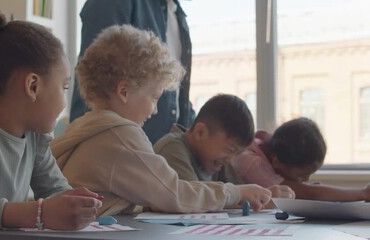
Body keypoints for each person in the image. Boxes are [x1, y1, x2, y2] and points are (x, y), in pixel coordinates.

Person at [52, 24, 273, 217]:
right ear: (124, 91)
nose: (155, 110)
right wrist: (236, 192)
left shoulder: (84, 126)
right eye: (154, 97)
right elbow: (174, 194)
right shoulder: (120, 134)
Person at [0, 9, 102, 230]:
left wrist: (74, 204)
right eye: (64, 87)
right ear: (33, 86)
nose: (65, 101)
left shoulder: (34, 139)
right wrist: (37, 213)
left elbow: (56, 191)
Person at [69, 0, 195, 144]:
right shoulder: (114, 4)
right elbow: (97, 82)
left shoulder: (178, 14)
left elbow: (179, 98)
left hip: (159, 148)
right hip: (119, 146)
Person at [154, 94, 295, 199]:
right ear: (200, 132)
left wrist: (261, 197)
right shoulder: (172, 149)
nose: (231, 160)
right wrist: (244, 197)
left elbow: (238, 193)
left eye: (237, 153)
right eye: (230, 150)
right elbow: (193, 199)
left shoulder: (216, 161)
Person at [232, 117, 370, 201]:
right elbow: (311, 194)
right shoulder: (252, 163)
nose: (306, 180)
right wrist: (363, 193)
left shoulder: (270, 149)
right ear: (277, 162)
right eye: (302, 175)